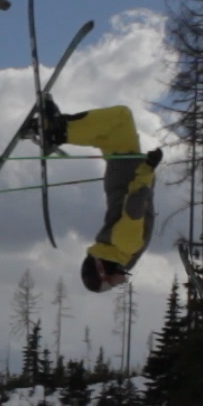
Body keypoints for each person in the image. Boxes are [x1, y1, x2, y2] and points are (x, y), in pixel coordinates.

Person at [17, 100, 160, 294]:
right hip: (121, 175)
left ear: (103, 270)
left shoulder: (125, 246)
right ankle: (56, 130)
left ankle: (55, 131)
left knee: (120, 119)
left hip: (129, 170)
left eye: (113, 282)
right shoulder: (114, 249)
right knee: (108, 132)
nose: (121, 280)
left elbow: (135, 202)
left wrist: (148, 169)